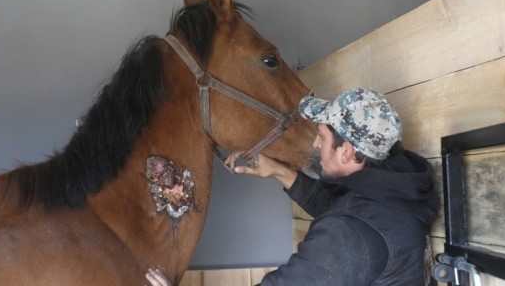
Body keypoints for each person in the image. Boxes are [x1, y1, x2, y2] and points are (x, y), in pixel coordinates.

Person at [146, 88, 439, 286]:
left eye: (321, 137)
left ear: (347, 152)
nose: (315, 143)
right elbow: (346, 212)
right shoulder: (397, 193)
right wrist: (278, 171)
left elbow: (349, 230)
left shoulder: (349, 236)